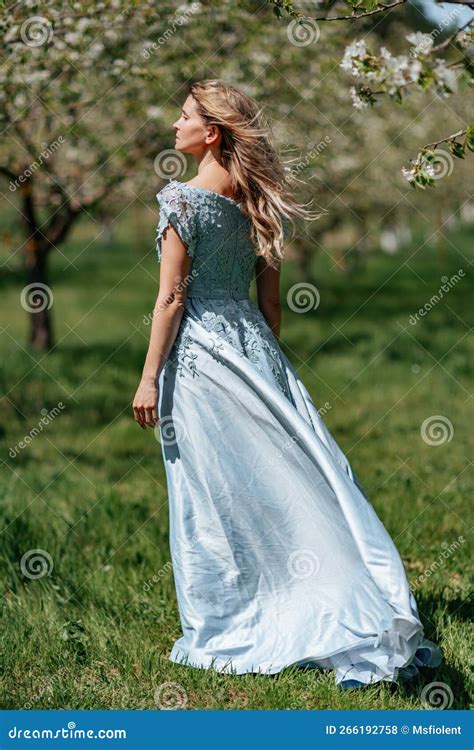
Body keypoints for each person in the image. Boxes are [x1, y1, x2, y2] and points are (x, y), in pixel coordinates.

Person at [132, 79, 442, 688]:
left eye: (186, 115)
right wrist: (266, 359)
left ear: (211, 132)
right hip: (254, 350)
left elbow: (170, 299)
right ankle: (334, 593)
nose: (174, 123)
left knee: (215, 491)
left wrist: (149, 378)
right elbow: (270, 305)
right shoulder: (260, 203)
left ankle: (236, 612)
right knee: (292, 478)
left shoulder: (180, 201)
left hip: (198, 358)